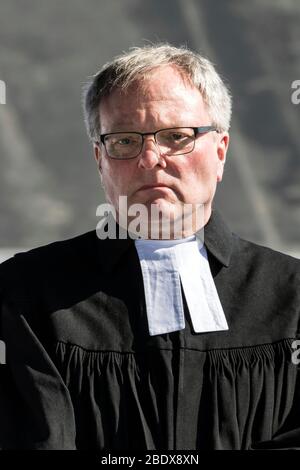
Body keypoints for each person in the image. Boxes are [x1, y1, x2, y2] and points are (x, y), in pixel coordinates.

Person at [0, 43, 300, 451]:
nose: (150, 159)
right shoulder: (25, 294)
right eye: (125, 141)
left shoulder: (292, 295)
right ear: (99, 159)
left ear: (220, 151)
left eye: (177, 137)